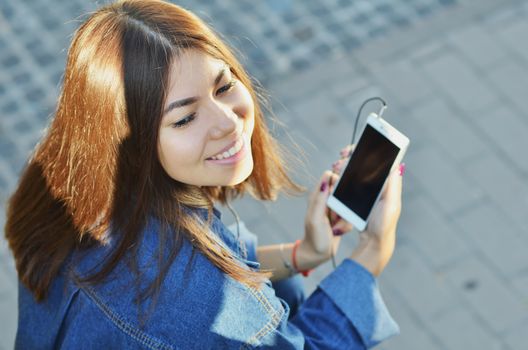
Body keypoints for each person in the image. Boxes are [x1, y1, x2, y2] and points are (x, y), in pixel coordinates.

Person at [4, 0, 405, 348]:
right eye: (185, 118)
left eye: (224, 85)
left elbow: (223, 264)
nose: (227, 122)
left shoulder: (68, 178)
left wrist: (302, 255)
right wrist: (372, 253)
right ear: (134, 146)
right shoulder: (194, 302)